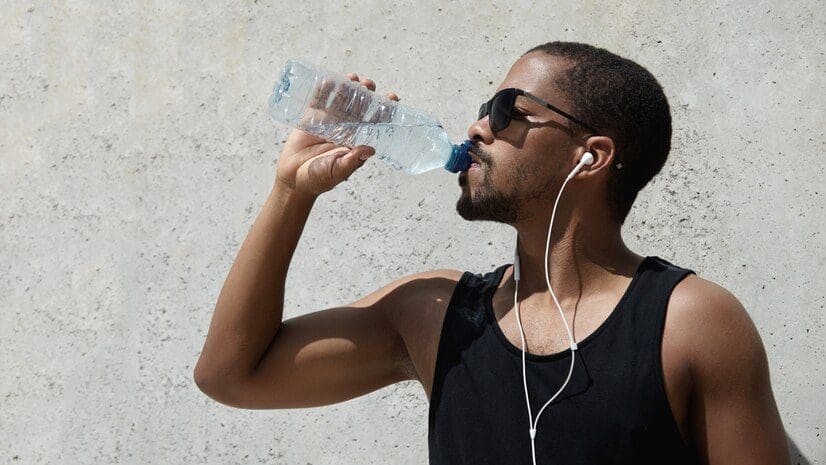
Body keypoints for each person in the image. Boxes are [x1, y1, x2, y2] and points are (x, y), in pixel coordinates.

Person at [193, 42, 791, 465]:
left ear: (593, 156)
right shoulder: (432, 314)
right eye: (485, 108)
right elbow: (231, 376)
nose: (478, 127)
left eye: (508, 110)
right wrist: (290, 193)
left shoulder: (690, 323)